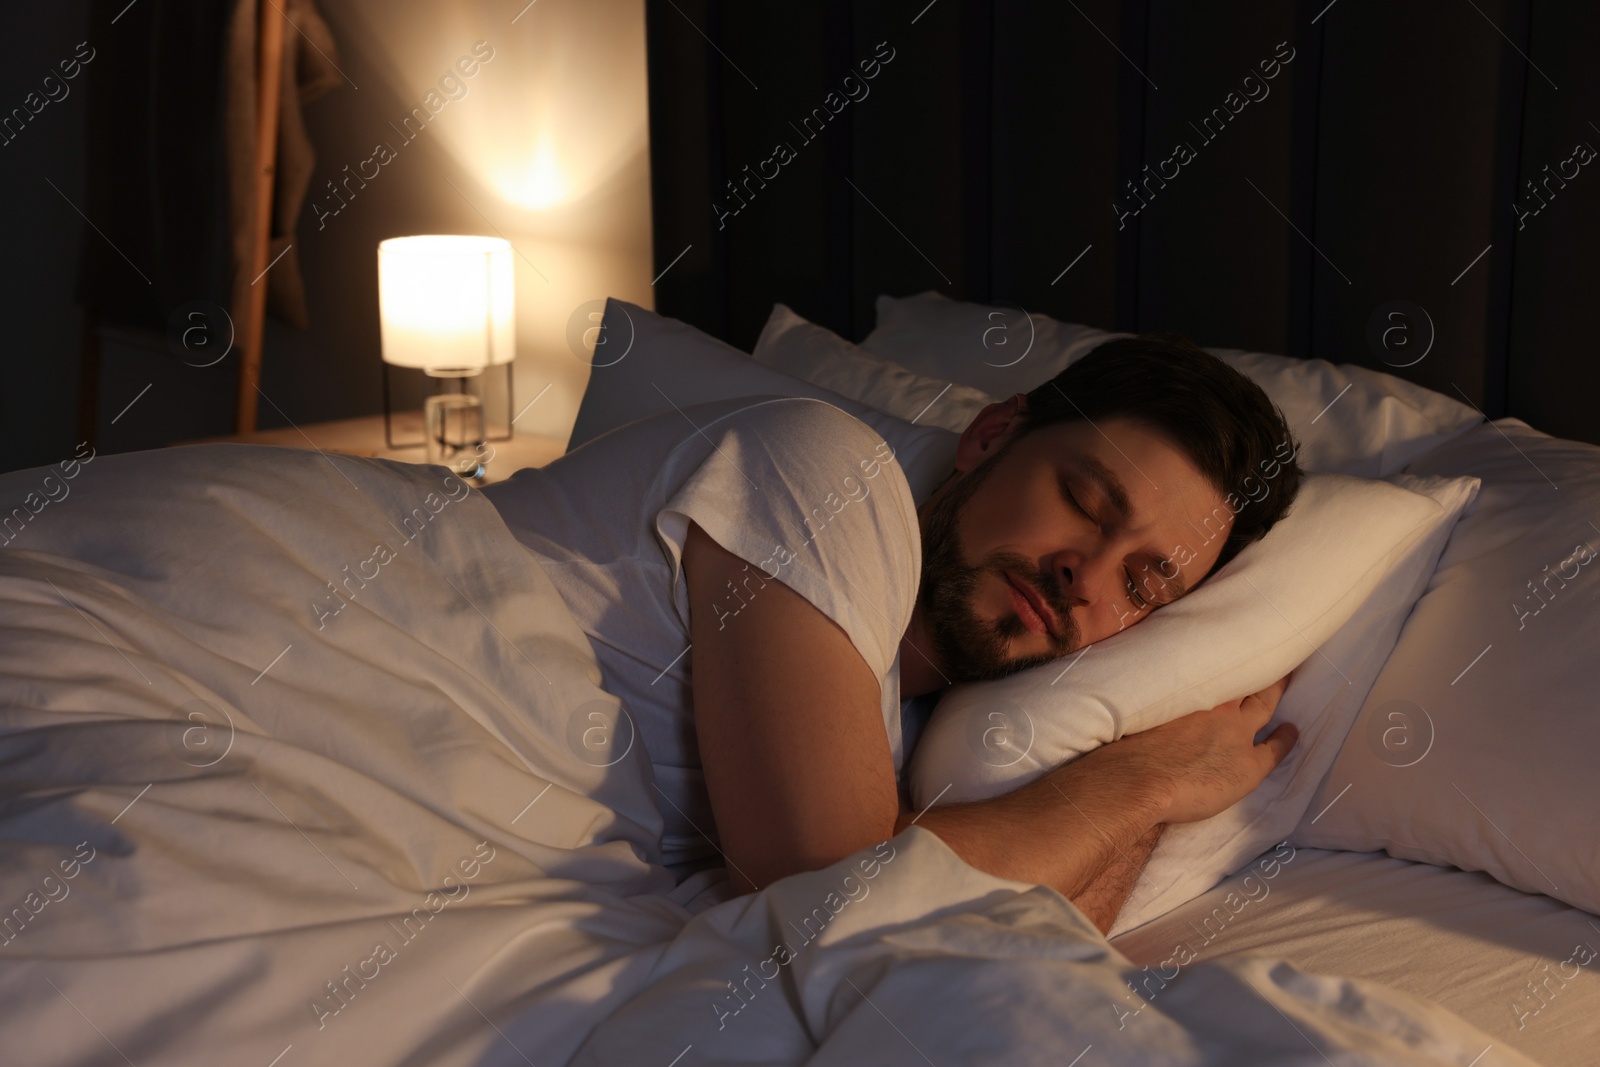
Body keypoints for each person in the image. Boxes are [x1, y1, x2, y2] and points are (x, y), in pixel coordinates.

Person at [483, 333, 1303, 932]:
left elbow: (1007, 973)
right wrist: (1143, 783)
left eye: (1139, 583)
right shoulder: (823, 468)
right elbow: (830, 900)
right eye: (1086, 502)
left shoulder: (903, 755)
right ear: (993, 435)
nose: (1083, 576)